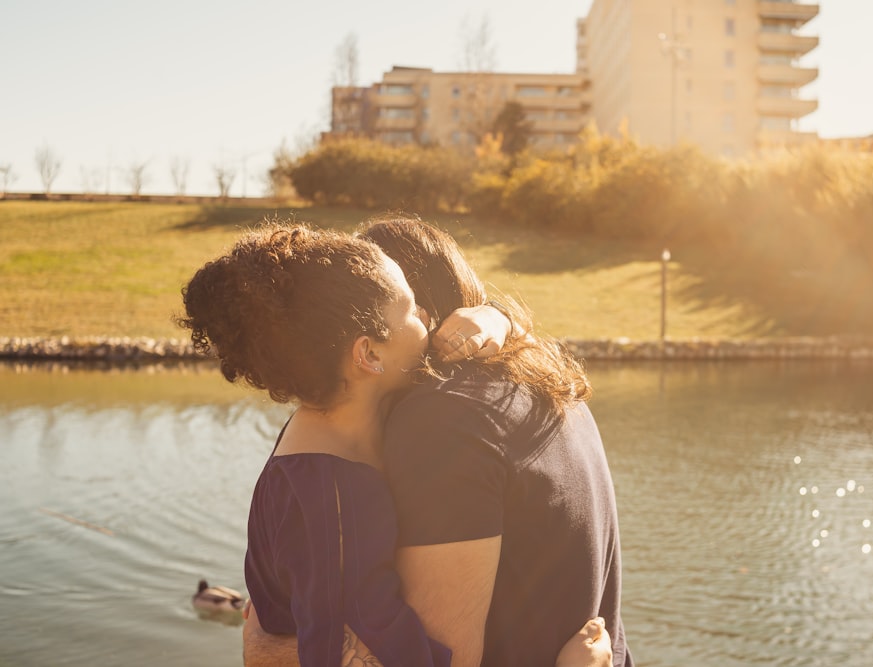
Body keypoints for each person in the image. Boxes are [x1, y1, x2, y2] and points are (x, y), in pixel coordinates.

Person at [181, 222, 611, 666]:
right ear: (367, 353)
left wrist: (496, 315)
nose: (427, 317)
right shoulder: (336, 498)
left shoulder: (315, 446)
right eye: (409, 309)